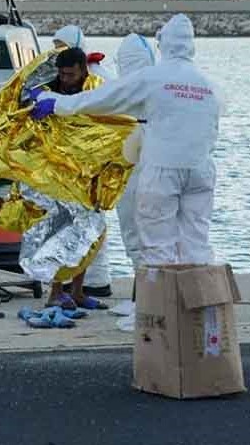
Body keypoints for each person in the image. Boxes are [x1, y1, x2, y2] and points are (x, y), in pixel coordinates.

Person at [33, 14, 221, 267]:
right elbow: (212, 130)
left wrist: (57, 103)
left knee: (156, 246)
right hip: (201, 169)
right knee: (196, 243)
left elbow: (102, 99)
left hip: (163, 168)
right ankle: (202, 304)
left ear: (163, 44)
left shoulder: (153, 77)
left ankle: (155, 305)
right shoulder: (208, 84)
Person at [31, 47, 111, 309]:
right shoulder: (48, 91)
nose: (65, 79)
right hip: (57, 173)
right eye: (62, 74)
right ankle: (55, 292)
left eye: (70, 75)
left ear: (83, 70)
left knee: (88, 232)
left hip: (88, 171)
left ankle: (77, 291)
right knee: (59, 231)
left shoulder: (95, 91)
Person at [109, 34, 158, 327]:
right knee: (143, 235)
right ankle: (143, 299)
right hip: (141, 167)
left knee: (140, 235)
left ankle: (147, 305)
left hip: (139, 169)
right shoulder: (161, 87)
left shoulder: (128, 91)